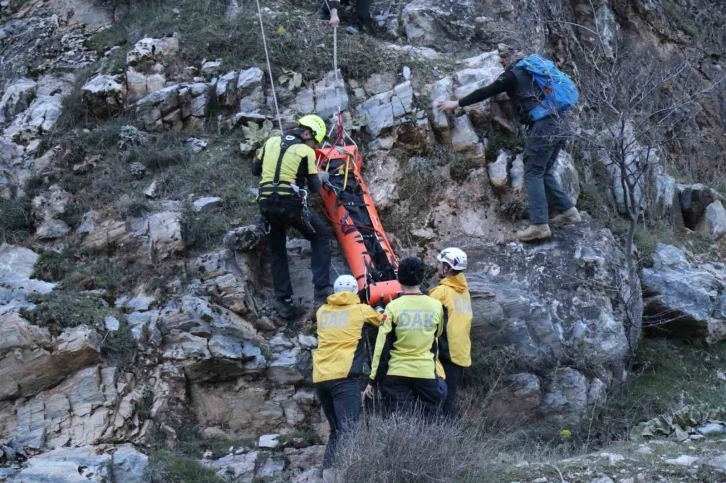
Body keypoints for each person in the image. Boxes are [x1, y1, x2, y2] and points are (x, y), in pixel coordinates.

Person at [436, 45, 582, 242]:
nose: (500, 63)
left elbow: (486, 91)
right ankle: (569, 211)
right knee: (544, 170)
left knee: (533, 171)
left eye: (501, 59)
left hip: (544, 125)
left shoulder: (513, 75)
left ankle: (539, 224)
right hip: (562, 121)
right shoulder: (536, 69)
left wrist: (457, 103)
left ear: (507, 57)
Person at [253, 115, 333, 319]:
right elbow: (314, 187)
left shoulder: (270, 142)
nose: (314, 146)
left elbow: (255, 169)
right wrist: (323, 177)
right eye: (315, 141)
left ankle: (284, 302)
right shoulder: (306, 151)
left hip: (266, 203)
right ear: (307, 133)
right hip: (291, 204)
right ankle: (322, 294)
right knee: (320, 237)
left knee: (277, 249)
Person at [314, 274, 383, 468]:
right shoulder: (361, 310)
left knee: (336, 429)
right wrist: (377, 307)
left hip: (321, 377)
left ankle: (327, 470)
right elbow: (382, 320)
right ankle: (344, 473)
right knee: (349, 429)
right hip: (344, 378)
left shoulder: (322, 311)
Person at [364, 257, 446, 419]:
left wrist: (372, 381)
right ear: (421, 278)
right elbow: (438, 334)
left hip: (396, 373)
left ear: (399, 278)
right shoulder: (436, 306)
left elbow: (381, 348)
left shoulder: (392, 307)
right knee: (432, 421)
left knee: (400, 421)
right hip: (426, 373)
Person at [429, 248, 472, 420]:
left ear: (447, 268)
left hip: (445, 353)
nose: (438, 266)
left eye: (441, 264)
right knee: (451, 398)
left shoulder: (441, 292)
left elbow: (425, 315)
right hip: (461, 352)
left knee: (441, 400)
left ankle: (442, 437)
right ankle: (450, 437)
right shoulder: (464, 292)